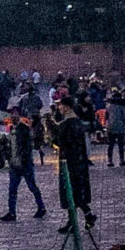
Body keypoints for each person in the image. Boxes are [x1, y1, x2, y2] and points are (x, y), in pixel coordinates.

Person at [49, 97, 96, 232]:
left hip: (70, 162)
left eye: (61, 106)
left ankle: (84, 216)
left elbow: (61, 142)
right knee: (76, 191)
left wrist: (53, 130)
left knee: (71, 191)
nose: (59, 108)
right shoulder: (77, 123)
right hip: (78, 161)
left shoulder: (68, 124)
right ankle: (79, 219)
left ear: (67, 107)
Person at [0, 112, 46, 222]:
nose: (13, 117)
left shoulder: (24, 129)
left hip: (24, 165)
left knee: (32, 186)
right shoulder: (10, 130)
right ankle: (12, 212)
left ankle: (41, 207)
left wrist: (23, 160)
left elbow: (27, 147)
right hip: (14, 164)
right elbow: (8, 146)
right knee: (12, 190)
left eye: (16, 115)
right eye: (12, 115)